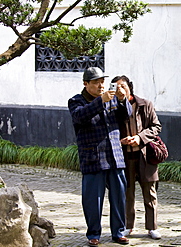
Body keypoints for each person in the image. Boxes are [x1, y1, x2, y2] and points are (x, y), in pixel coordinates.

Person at [68, 67, 132, 246]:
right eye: (96, 82)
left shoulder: (110, 98)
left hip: (114, 155)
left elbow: (126, 115)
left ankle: (119, 232)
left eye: (102, 81)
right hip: (93, 156)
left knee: (119, 197)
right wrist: (100, 102)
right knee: (92, 199)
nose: (100, 85)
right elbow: (80, 117)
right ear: (86, 84)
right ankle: (93, 234)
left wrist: (121, 99)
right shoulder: (76, 101)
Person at [113, 75, 163, 240]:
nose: (120, 89)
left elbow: (156, 127)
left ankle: (152, 227)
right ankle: (128, 226)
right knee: (127, 193)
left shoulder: (144, 105)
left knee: (149, 192)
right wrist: (120, 140)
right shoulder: (113, 106)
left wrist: (140, 138)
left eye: (123, 86)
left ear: (129, 87)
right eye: (117, 87)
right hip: (124, 156)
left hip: (145, 155)